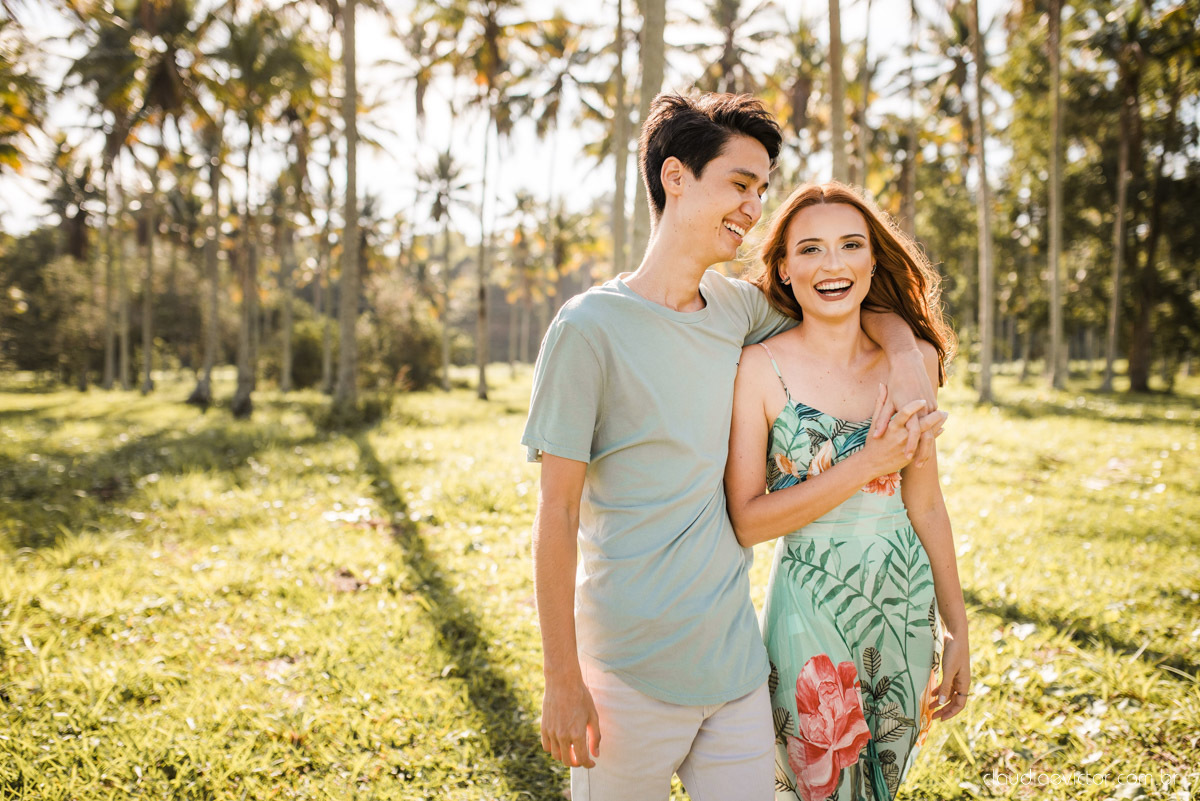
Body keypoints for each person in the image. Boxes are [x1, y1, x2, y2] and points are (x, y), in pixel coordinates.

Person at [521, 93, 946, 801]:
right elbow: (555, 513)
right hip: (628, 671)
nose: (754, 209)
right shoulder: (588, 328)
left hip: (737, 669)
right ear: (676, 177)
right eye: (740, 185)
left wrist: (906, 349)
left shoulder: (738, 309)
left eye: (761, 190)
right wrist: (562, 678)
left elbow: (837, 289)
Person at [723, 182, 971, 801]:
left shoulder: (910, 362)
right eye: (810, 249)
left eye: (850, 246)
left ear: (872, 262)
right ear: (784, 267)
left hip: (904, 601)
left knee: (881, 783)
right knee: (816, 784)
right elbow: (748, 521)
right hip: (811, 604)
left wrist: (955, 623)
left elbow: (926, 502)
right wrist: (868, 461)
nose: (832, 265)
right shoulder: (758, 368)